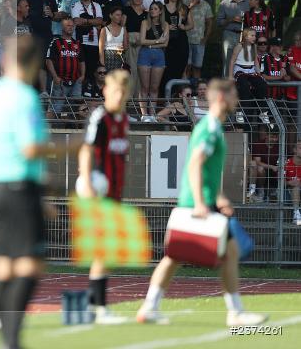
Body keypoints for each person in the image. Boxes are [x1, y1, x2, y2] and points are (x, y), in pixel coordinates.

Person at [136, 79, 267, 327]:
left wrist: (217, 197)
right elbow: (195, 162)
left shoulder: (214, 126)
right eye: (233, 96)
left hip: (201, 201)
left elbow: (205, 169)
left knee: (183, 257)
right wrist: (200, 202)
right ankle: (235, 312)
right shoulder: (210, 127)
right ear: (221, 99)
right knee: (178, 256)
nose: (237, 101)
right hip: (195, 203)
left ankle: (150, 307)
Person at [0, 36, 63, 349]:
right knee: (29, 264)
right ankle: (11, 340)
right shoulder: (25, 97)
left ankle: (2, 329)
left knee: (4, 261)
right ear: (34, 64)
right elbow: (30, 148)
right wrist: (68, 149)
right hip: (21, 185)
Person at [77, 69, 132, 324]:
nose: (119, 95)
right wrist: (87, 182)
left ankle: (94, 304)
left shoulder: (124, 119)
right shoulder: (100, 117)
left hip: (113, 191)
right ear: (105, 91)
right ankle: (98, 307)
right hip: (96, 187)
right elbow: (87, 150)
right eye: (116, 90)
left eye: (124, 91)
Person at [228, 28, 270, 125]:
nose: (254, 37)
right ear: (246, 36)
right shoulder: (239, 46)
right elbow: (232, 61)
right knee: (244, 86)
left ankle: (262, 112)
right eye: (252, 35)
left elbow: (255, 61)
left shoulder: (254, 47)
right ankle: (239, 111)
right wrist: (230, 76)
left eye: (255, 35)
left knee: (262, 85)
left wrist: (259, 73)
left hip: (251, 70)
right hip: (240, 70)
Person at [46, 18, 84, 117]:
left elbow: (82, 61)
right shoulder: (55, 42)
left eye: (72, 26)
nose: (71, 28)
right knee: (55, 108)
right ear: (62, 27)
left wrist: (82, 76)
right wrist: (55, 76)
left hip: (76, 81)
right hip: (60, 81)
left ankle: (76, 130)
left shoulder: (78, 44)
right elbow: (49, 60)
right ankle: (49, 130)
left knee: (76, 108)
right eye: (68, 25)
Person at [138, 2, 169, 119]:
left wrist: (150, 45)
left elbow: (165, 43)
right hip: (144, 54)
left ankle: (152, 115)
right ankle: (144, 115)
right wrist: (157, 42)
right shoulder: (145, 23)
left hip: (159, 56)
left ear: (160, 11)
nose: (152, 11)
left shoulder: (165, 24)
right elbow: (142, 41)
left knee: (155, 87)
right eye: (151, 9)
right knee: (144, 86)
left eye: (155, 9)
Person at [71, 0, 104, 96]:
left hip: (94, 42)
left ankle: (90, 94)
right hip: (80, 42)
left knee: (91, 71)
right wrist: (92, 21)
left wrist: (85, 20)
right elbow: (76, 21)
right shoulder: (76, 5)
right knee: (80, 71)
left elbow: (100, 21)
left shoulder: (97, 5)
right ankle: (78, 96)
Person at [162, 0, 193, 89]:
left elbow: (191, 25)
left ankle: (178, 97)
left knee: (180, 69)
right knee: (166, 70)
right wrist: (166, 27)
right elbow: (155, 24)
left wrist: (184, 27)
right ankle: (165, 98)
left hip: (181, 42)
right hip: (166, 43)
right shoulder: (161, 8)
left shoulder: (184, 8)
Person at [216, 0, 249, 76]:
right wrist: (231, 19)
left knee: (244, 61)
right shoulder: (224, 3)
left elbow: (252, 20)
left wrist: (245, 20)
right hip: (229, 35)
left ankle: (241, 85)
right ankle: (226, 86)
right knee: (228, 62)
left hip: (244, 35)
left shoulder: (247, 3)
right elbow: (218, 22)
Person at [183, 0, 213, 80]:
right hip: (186, 40)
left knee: (197, 67)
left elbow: (209, 23)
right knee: (186, 67)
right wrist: (193, 4)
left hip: (199, 41)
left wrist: (206, 38)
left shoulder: (206, 5)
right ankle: (184, 92)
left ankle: (196, 91)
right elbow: (181, 17)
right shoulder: (184, 2)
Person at [125, 0, 147, 87]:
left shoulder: (146, 13)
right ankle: (130, 98)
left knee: (141, 69)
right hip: (129, 39)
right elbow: (123, 26)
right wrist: (126, 40)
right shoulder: (127, 10)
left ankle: (139, 99)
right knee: (131, 68)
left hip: (143, 41)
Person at [98, 4, 128, 72]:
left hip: (120, 56)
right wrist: (102, 62)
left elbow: (126, 47)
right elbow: (101, 48)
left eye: (121, 15)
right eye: (117, 15)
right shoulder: (104, 29)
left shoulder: (123, 29)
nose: (119, 17)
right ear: (111, 16)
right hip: (107, 57)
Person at [285, 143, 301, 226]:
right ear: (294, 150)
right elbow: (278, 182)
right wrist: (289, 182)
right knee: (295, 188)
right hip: (287, 192)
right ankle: (296, 215)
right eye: (300, 148)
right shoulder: (286, 163)